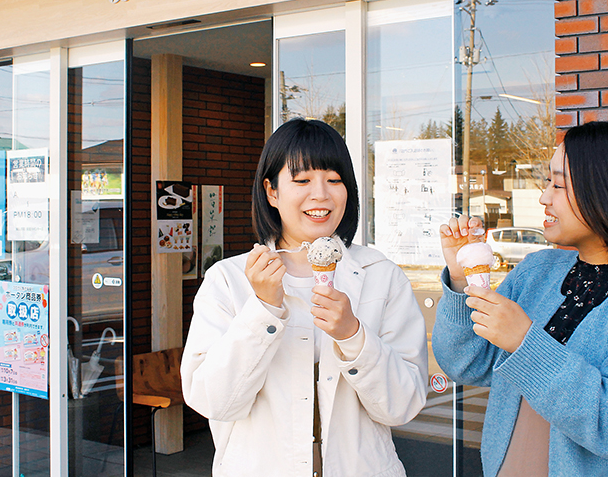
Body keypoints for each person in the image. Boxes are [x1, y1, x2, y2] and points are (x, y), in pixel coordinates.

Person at [181, 118, 428, 477]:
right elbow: (212, 400)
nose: (321, 195)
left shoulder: (380, 275)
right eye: (302, 181)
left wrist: (353, 335)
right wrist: (263, 310)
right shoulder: (230, 279)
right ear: (272, 191)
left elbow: (403, 405)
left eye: (334, 180)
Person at [432, 121, 608, 476]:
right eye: (548, 182)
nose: (544, 196)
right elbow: (466, 363)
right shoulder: (537, 270)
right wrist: (461, 276)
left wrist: (526, 342)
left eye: (558, 184)